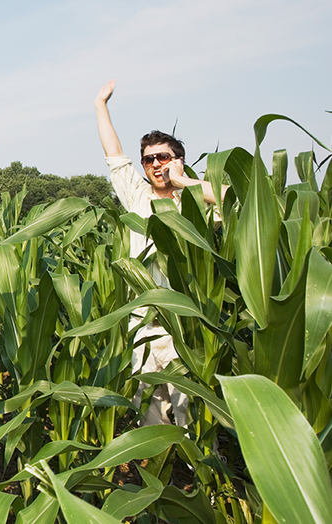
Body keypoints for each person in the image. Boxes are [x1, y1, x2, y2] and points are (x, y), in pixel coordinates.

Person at [94, 80, 225, 427]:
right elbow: (115, 157)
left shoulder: (196, 206)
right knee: (148, 410)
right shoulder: (138, 197)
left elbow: (236, 195)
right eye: (149, 159)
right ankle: (154, 471)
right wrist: (99, 106)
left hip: (187, 322)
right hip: (145, 322)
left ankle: (199, 473)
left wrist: (184, 183)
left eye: (164, 157)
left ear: (178, 160)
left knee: (188, 411)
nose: (156, 165)